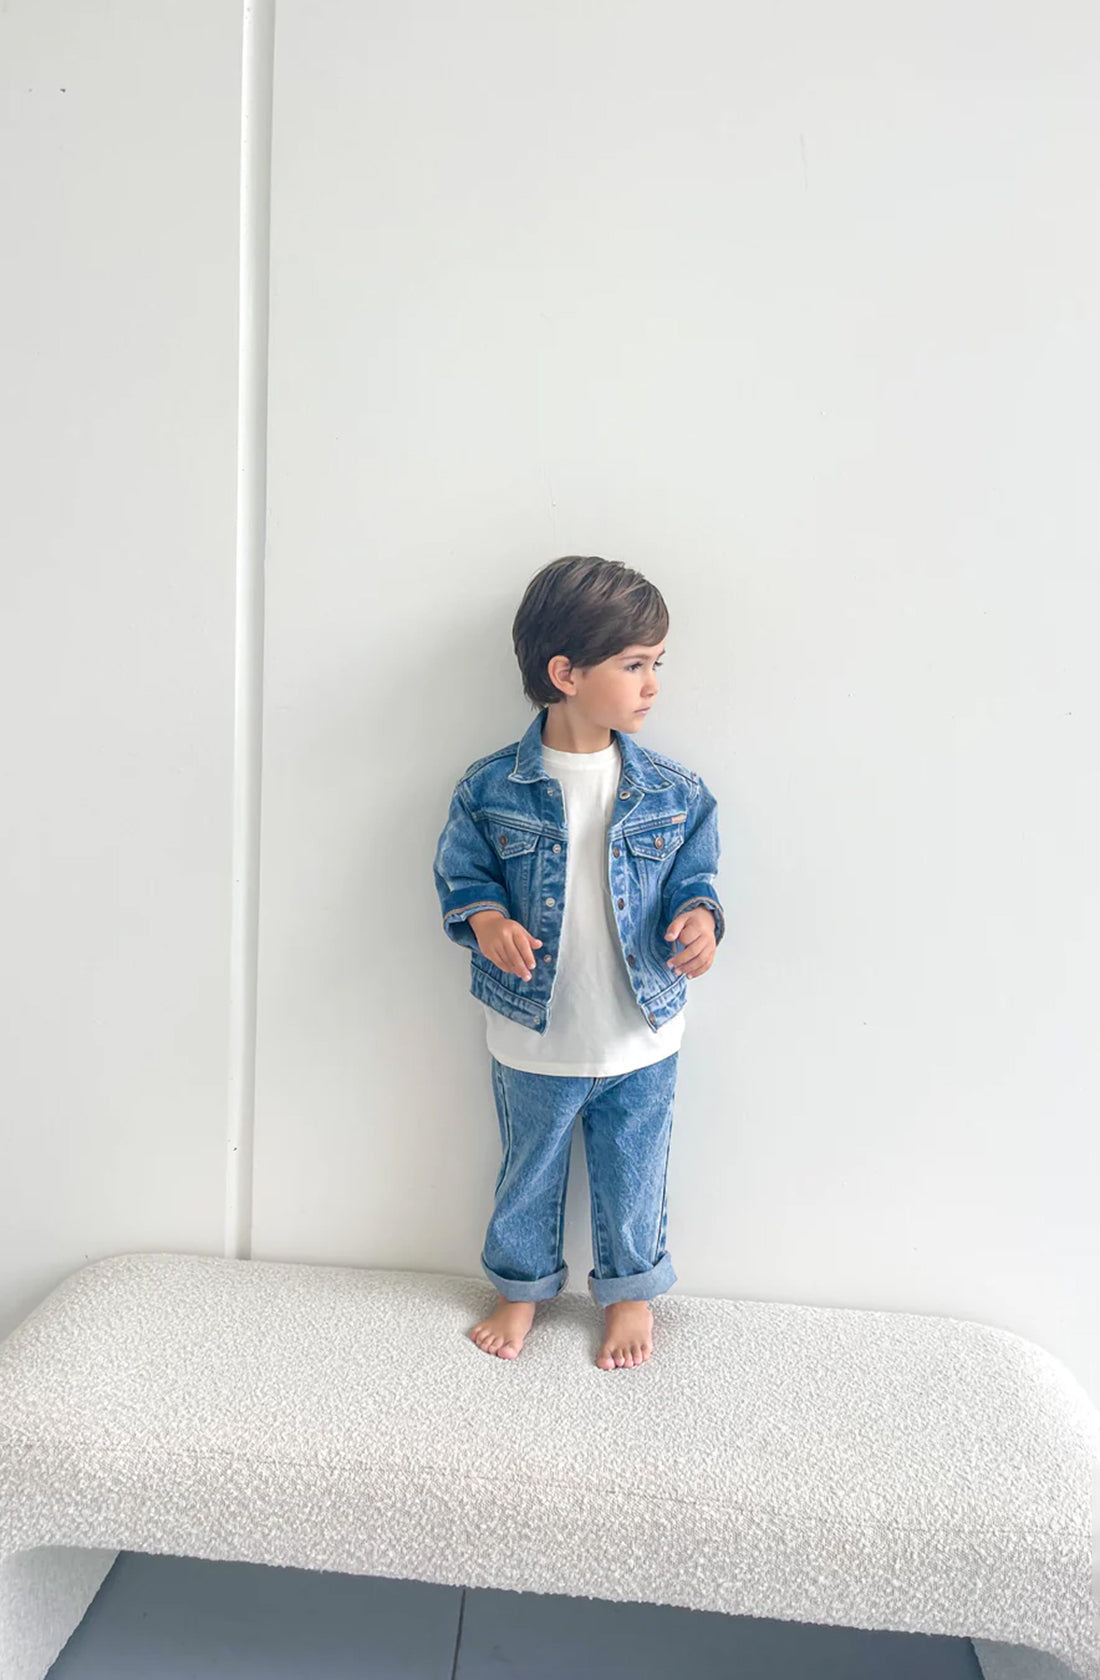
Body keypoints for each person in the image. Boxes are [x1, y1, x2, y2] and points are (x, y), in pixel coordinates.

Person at [432, 555, 724, 1370]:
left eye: (656, 664)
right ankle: (520, 1288)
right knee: (529, 1171)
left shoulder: (675, 791)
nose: (652, 684)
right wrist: (487, 919)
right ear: (565, 672)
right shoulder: (491, 788)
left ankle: (630, 1293)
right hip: (535, 1035)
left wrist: (700, 919)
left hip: (643, 1034)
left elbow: (696, 879)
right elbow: (463, 878)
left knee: (635, 1172)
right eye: (634, 665)